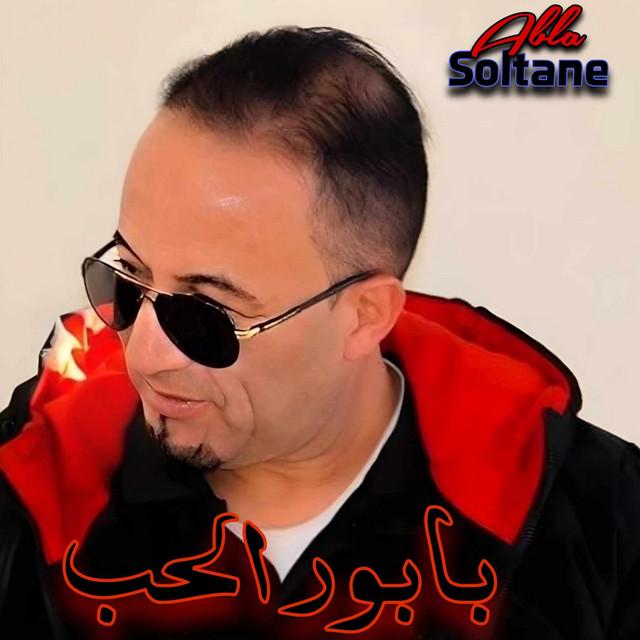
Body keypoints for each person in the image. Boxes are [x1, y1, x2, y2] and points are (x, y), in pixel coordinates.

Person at [0, 25, 638, 640]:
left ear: (365, 315)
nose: (145, 355)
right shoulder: (36, 474)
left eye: (206, 315)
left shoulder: (599, 525)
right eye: (127, 281)